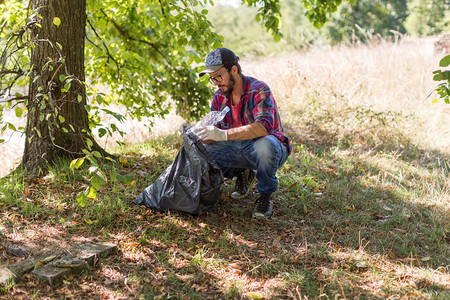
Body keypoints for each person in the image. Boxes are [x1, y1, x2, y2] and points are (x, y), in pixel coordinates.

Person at [196, 48, 291, 218]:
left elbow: (262, 128)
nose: (216, 82)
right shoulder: (219, 97)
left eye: (219, 76)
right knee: (202, 151)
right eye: (212, 79)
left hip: (265, 148)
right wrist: (203, 134)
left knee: (266, 145)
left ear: (234, 69)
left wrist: (223, 135)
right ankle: (242, 173)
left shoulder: (259, 89)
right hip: (237, 148)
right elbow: (216, 136)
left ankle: (265, 196)